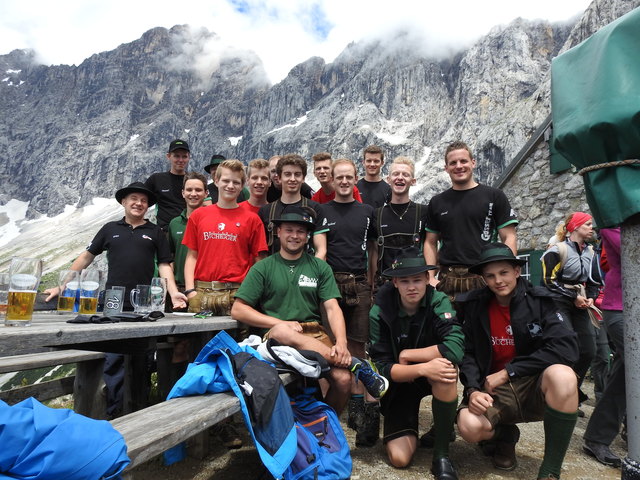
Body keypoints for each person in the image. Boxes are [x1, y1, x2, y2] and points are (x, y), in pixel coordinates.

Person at [44, 182, 187, 417]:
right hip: (113, 301)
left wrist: (173, 292)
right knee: (113, 360)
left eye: (143, 200)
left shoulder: (155, 232)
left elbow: (164, 265)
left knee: (142, 359)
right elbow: (87, 257)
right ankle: (113, 412)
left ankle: (139, 410)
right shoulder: (109, 228)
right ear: (124, 202)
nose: (138, 203)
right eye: (133, 198)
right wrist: (63, 285)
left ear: (147, 205)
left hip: (143, 303)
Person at [231, 207, 388, 415]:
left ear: (307, 237)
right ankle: (356, 363)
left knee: (343, 380)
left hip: (314, 333)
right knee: (281, 331)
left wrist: (341, 343)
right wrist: (278, 323)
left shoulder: (320, 267)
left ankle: (324, 425)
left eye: (300, 231)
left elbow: (332, 307)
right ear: (278, 232)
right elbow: (238, 310)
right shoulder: (263, 268)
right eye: (289, 230)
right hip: (278, 338)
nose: (294, 236)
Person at [456, 243, 579, 480]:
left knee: (564, 376)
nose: (498, 281)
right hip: (494, 389)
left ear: (516, 271)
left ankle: (551, 470)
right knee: (469, 426)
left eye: (503, 273)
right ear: (483, 279)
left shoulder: (541, 300)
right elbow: (468, 352)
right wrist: (472, 390)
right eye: (490, 276)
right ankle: (504, 436)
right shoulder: (474, 305)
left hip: (532, 383)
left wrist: (510, 371)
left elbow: (567, 348)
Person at [368, 248, 464, 480]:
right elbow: (381, 368)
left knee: (446, 371)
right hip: (400, 381)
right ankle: (428, 425)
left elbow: (455, 348)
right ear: (395, 283)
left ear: (427, 279)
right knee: (400, 459)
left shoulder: (438, 301)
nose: (412, 287)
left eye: (417, 280)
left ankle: (441, 454)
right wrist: (421, 367)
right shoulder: (379, 311)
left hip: (429, 372)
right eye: (405, 281)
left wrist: (411, 354)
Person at [321, 158, 378, 446]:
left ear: (356, 178)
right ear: (331, 180)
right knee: (327, 345)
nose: (344, 181)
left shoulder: (368, 211)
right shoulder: (322, 210)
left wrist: (371, 280)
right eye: (339, 177)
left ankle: (360, 413)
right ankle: (326, 412)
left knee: (357, 348)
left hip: (359, 283)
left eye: (348, 177)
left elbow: (372, 250)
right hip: (329, 283)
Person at [424, 141, 518, 298]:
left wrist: (505, 271)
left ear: (473, 163)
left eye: (463, 161)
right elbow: (430, 242)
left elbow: (509, 236)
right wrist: (430, 277)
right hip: (447, 278)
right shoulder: (437, 202)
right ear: (446, 168)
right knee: (446, 322)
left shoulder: (494, 196)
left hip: (483, 276)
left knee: (483, 322)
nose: (459, 166)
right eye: (453, 163)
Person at [182, 159, 267, 315]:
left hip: (237, 293)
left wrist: (248, 293)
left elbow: (258, 261)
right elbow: (192, 255)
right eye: (226, 180)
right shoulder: (199, 215)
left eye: (236, 182)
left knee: (236, 339)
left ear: (243, 185)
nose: (230, 186)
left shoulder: (252, 220)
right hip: (201, 291)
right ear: (216, 181)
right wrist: (190, 290)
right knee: (198, 339)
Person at [540, 212, 602, 409]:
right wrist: (573, 297)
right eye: (588, 224)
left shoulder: (591, 252)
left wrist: (591, 295)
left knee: (589, 350)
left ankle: (572, 391)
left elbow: (594, 279)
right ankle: (559, 394)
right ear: (575, 227)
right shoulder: (556, 250)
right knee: (567, 348)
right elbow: (548, 281)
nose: (592, 228)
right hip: (559, 302)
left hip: (580, 300)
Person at [583, 227, 625, 468]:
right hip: (620, 307)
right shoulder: (615, 221)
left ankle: (598, 437)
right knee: (602, 357)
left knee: (624, 374)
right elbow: (629, 250)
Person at [259, 154, 328, 258]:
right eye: (287, 174)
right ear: (279, 177)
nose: (292, 179)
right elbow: (262, 254)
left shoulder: (315, 209)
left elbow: (321, 250)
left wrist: (313, 273)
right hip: (274, 272)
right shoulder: (265, 211)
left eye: (297, 174)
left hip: (307, 272)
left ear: (303, 178)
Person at [373, 157, 428, 282]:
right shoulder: (377, 214)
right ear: (388, 180)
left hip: (414, 285)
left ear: (413, 181)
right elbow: (373, 252)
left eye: (405, 174)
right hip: (384, 285)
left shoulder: (424, 211)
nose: (400, 177)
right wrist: (371, 282)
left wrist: (429, 277)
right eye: (396, 174)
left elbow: (430, 245)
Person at [167, 172, 208, 291]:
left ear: (206, 193)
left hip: (206, 287)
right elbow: (170, 257)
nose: (193, 194)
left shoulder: (213, 221)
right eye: (189, 190)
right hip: (179, 287)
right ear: (183, 193)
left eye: (198, 190)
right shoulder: (174, 223)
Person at [144, 139, 190, 231]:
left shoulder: (193, 180)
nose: (180, 160)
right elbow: (142, 201)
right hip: (164, 232)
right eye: (176, 156)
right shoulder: (156, 179)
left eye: (184, 156)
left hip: (189, 231)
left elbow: (206, 205)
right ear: (168, 156)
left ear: (189, 157)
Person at [356, 145, 391, 209]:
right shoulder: (355, 187)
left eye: (376, 161)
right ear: (363, 162)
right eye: (369, 161)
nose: (372, 164)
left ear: (382, 163)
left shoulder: (388, 190)